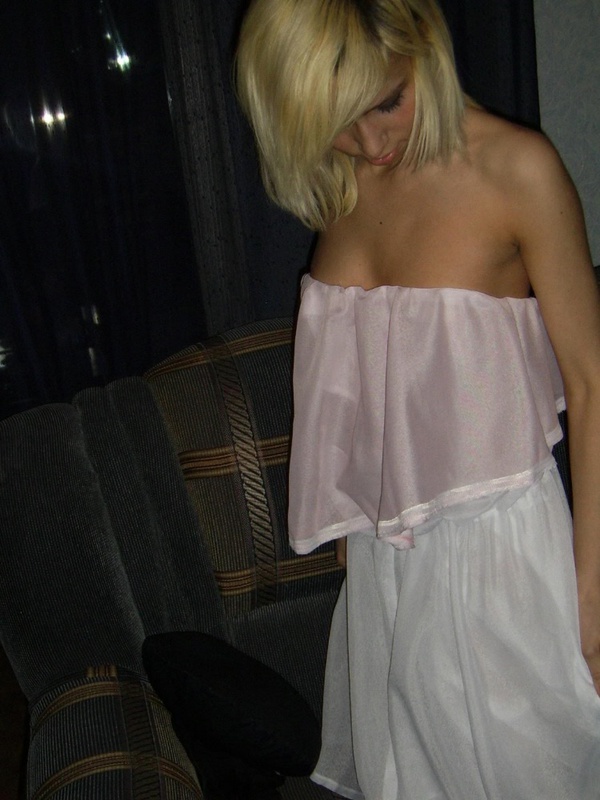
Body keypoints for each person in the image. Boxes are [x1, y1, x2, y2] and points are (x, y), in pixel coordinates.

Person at [236, 0, 600, 797]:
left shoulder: (516, 169)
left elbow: (592, 382)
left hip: (501, 562)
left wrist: (592, 588)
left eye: (385, 103)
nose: (371, 144)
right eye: (336, 124)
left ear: (422, 44)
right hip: (385, 571)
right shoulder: (345, 188)